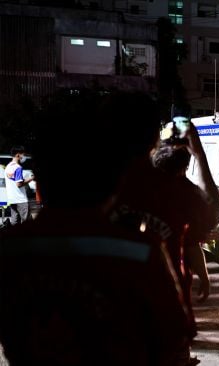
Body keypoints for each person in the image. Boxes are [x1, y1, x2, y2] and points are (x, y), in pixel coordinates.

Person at [0, 91, 192, 366]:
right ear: (114, 183)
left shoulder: (8, 250)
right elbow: (172, 340)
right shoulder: (140, 253)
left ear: (39, 184)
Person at [111, 117, 219, 358]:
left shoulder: (105, 184)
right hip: (163, 316)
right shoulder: (175, 190)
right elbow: (211, 213)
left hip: (106, 315)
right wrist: (198, 151)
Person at [151, 124, 219, 318]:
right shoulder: (184, 195)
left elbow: (191, 242)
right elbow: (212, 214)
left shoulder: (129, 188)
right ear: (184, 167)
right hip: (167, 302)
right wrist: (199, 154)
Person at [4, 146, 34, 225]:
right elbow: (19, 184)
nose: (23, 157)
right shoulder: (18, 167)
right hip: (21, 199)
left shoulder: (8, 167)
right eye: (23, 154)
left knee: (15, 222)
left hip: (12, 199)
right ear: (18, 155)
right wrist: (31, 178)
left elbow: (14, 181)